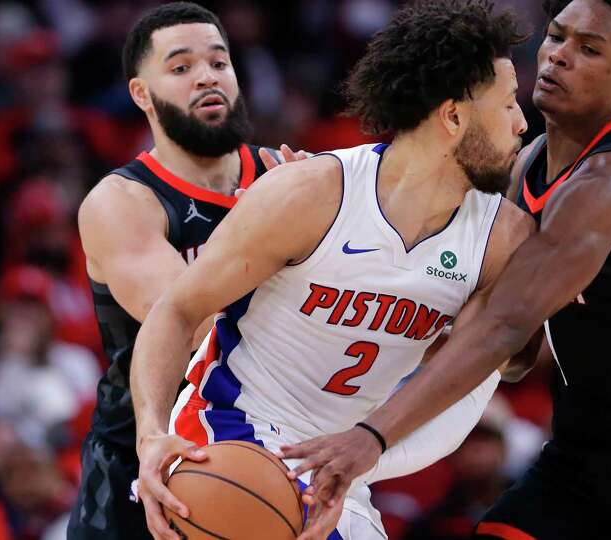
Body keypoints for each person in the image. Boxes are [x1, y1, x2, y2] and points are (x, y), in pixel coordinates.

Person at [281, 1, 611, 539]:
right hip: (584, 450)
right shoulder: (527, 165)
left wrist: (370, 437)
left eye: (589, 48)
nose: (557, 56)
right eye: (556, 37)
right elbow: (508, 340)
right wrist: (320, 203)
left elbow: (503, 325)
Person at [131, 1, 534, 538]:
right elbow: (177, 310)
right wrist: (151, 436)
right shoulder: (312, 194)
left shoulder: (501, 239)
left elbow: (487, 370)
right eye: (508, 104)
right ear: (454, 117)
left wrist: (367, 454)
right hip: (229, 429)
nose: (521, 123)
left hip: (342, 460)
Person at [66, 3, 299, 538]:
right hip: (143, 457)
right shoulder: (122, 202)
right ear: (141, 94)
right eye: (180, 68)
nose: (206, 77)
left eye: (219, 62)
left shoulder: (290, 177)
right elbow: (198, 328)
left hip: (271, 445)